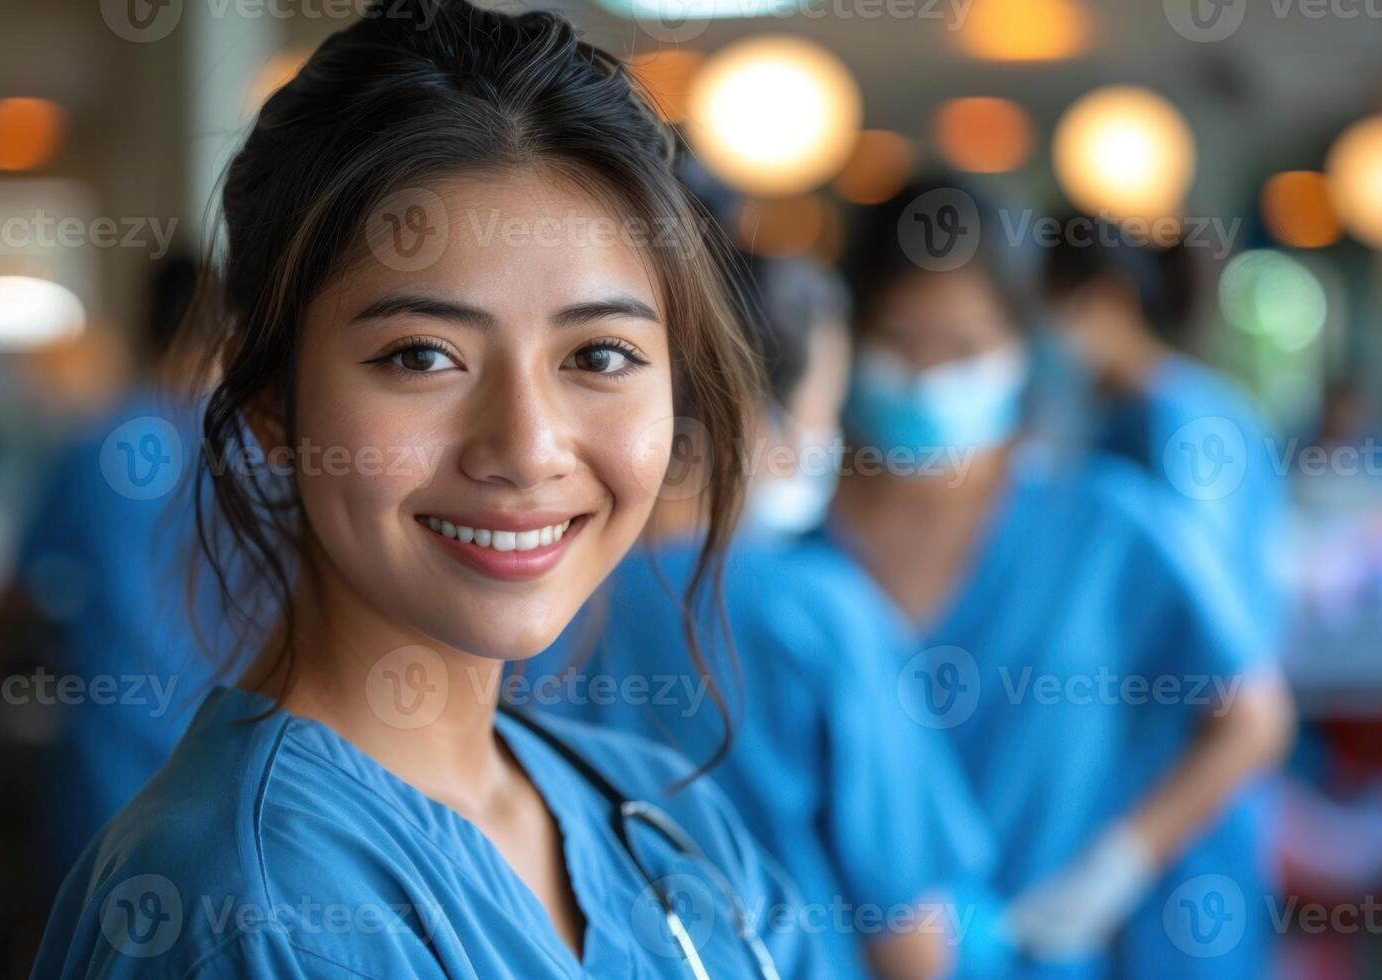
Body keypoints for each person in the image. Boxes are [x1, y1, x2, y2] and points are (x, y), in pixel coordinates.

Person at [31, 1, 829, 976]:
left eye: (600, 353)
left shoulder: (664, 817)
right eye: (422, 355)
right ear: (271, 404)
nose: (527, 447)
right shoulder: (260, 914)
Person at [831, 180, 1296, 979]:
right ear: (849, 338)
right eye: (899, 339)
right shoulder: (793, 551)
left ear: (1019, 349)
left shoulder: (1104, 528)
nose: (926, 375)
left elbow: (1250, 719)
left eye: (963, 349)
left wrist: (1118, 864)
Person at [529, 254, 1006, 979]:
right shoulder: (814, 612)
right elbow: (911, 937)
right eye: (821, 411)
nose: (823, 442)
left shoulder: (528, 602)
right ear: (747, 413)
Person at [19, 257, 224, 869]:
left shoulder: (95, 447)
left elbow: (28, 582)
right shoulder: (263, 454)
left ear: (142, 326)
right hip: (231, 755)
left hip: (117, 755)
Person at [1039, 221, 1290, 637]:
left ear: (1109, 300)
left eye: (1055, 310)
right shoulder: (1116, 417)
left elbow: (1205, 586)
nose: (1048, 337)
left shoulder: (1183, 420)